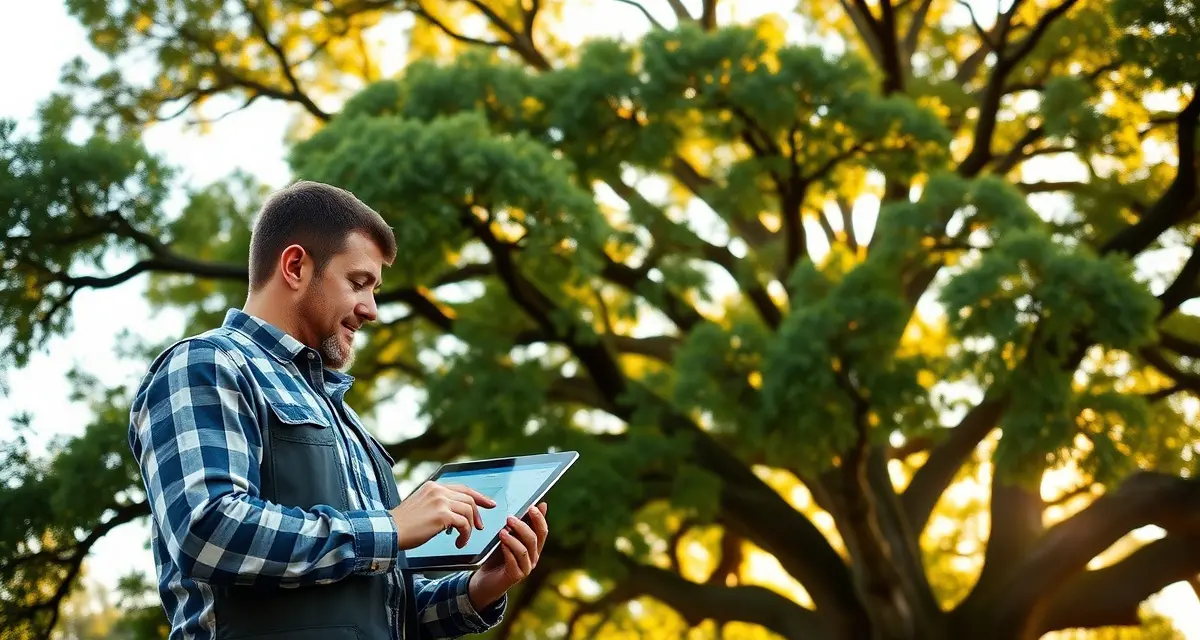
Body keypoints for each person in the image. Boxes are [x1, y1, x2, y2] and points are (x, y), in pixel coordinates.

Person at [128, 180, 548, 640]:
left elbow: (382, 610)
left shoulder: (345, 420)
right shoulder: (206, 364)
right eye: (358, 283)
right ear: (295, 267)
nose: (371, 310)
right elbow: (208, 528)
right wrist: (389, 527)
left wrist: (479, 587)